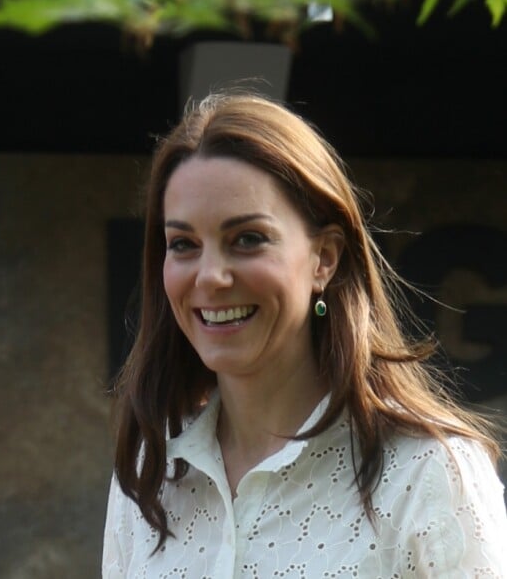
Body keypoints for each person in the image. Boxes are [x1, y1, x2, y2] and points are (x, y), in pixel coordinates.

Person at [102, 93, 507, 577]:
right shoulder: (150, 474)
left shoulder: (427, 474)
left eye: (247, 239)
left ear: (325, 258)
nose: (209, 276)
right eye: (184, 244)